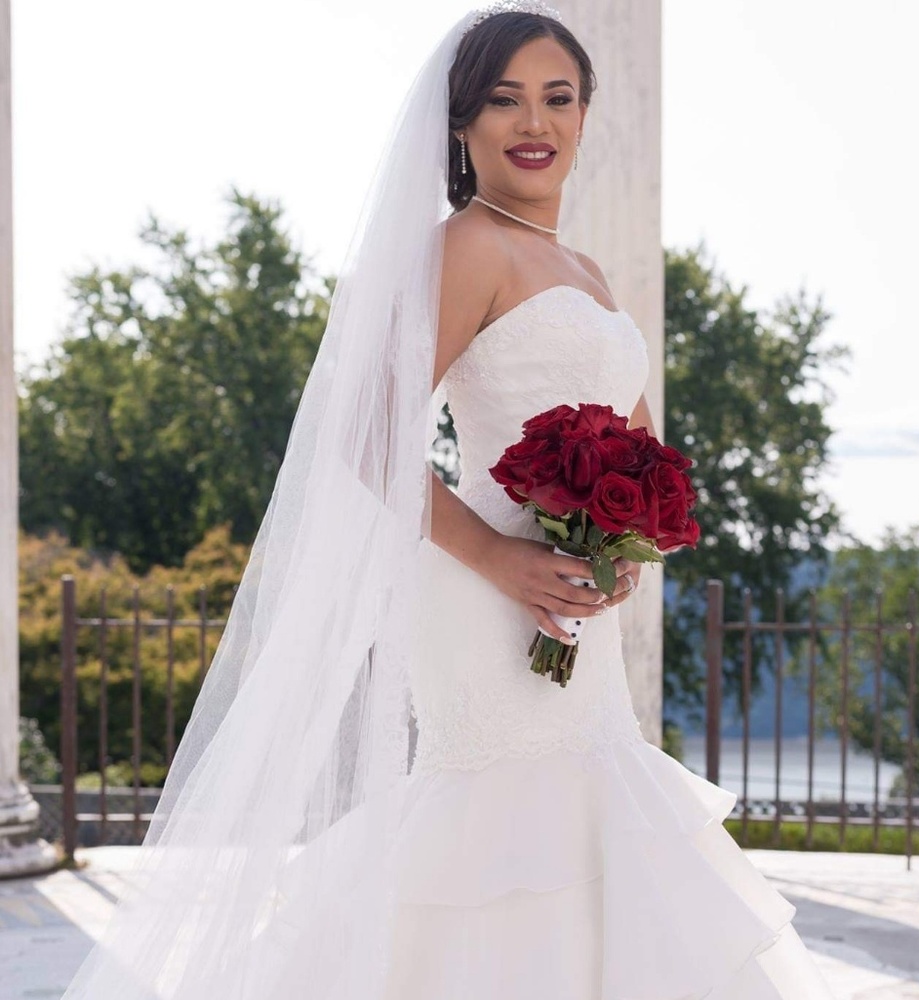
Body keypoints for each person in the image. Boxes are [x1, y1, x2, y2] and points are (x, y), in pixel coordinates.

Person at [62, 4, 837, 999]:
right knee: (500, 819)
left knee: (588, 811)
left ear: (586, 116)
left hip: (569, 594)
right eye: (504, 99)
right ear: (462, 125)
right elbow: (365, 430)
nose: (535, 120)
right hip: (483, 587)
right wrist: (501, 557)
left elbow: (639, 440)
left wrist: (629, 539)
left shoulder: (587, 269)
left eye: (558, 97)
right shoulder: (467, 245)